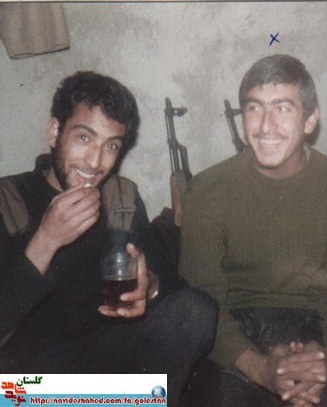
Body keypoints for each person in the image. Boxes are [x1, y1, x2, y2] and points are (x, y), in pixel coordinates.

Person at [0, 71, 217, 407]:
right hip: (25, 383)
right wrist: (46, 240)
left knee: (196, 310)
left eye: (111, 145)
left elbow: (171, 286)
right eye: (84, 138)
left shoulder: (121, 197)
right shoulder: (7, 200)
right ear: (55, 132)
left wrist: (150, 288)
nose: (95, 162)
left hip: (102, 363)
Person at [179, 54, 327, 407]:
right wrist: (258, 368)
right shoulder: (207, 189)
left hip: (319, 335)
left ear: (310, 120)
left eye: (283, 108)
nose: (266, 126)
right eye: (254, 108)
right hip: (233, 340)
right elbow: (201, 300)